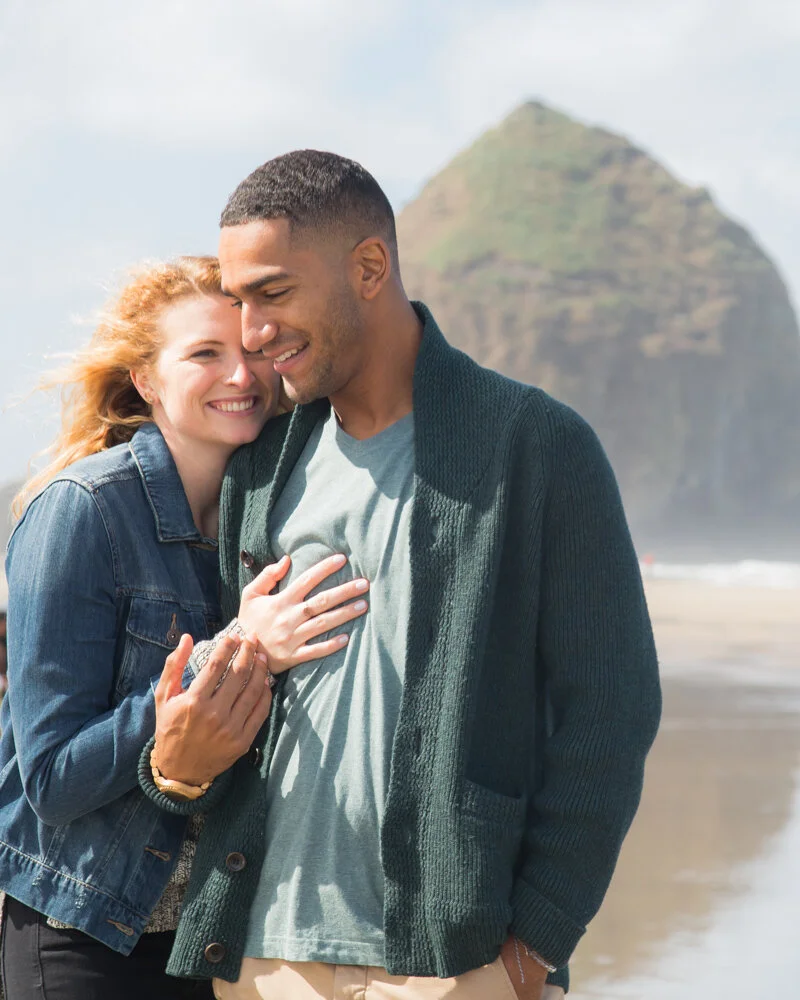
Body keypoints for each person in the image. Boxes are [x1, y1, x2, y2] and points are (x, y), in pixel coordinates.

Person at [141, 152, 662, 1000]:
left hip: (454, 959)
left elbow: (612, 708)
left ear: (370, 268)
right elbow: (228, 695)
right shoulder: (263, 466)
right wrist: (175, 764)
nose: (251, 330)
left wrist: (532, 948)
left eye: (272, 293)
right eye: (237, 302)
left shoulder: (533, 445)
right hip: (263, 953)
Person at [0, 256, 369, 1000]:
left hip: (216, 942)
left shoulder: (272, 520)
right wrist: (235, 652)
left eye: (254, 352)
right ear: (145, 378)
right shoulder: (84, 510)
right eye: (206, 354)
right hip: (86, 935)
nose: (242, 377)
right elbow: (49, 781)